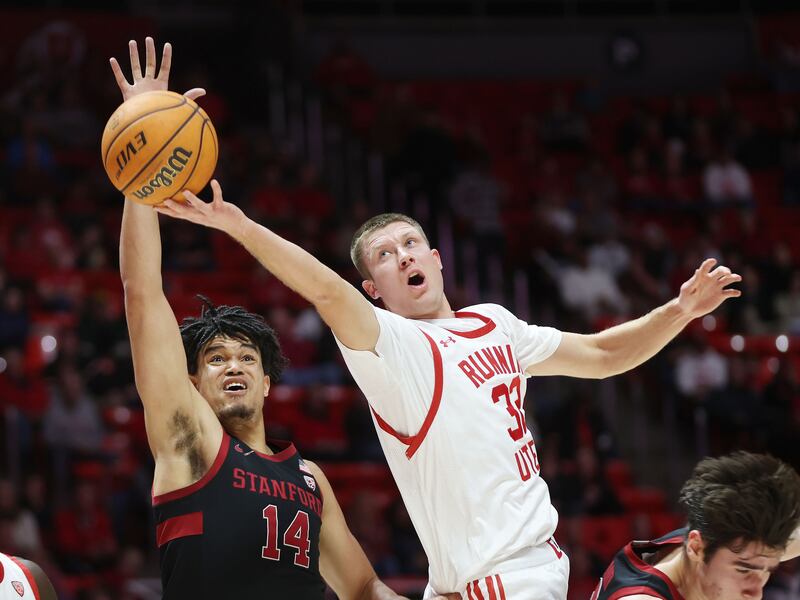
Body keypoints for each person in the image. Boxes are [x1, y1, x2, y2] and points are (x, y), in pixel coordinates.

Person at [156, 107, 741, 600]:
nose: (404, 256)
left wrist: (680, 311)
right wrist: (239, 226)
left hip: (526, 570)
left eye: (412, 244)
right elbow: (325, 289)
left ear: (437, 258)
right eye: (385, 255)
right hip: (477, 583)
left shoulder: (495, 323)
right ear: (374, 290)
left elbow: (603, 355)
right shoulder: (390, 346)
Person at [109, 38, 454, 600]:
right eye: (215, 360)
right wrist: (141, 171)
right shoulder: (190, 441)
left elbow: (364, 588)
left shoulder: (309, 479)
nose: (233, 366)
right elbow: (142, 294)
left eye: (247, 358)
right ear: (191, 382)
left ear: (269, 383)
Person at [591, 451, 800, 600]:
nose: (757, 592)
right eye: (744, 570)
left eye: (768, 572)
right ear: (696, 548)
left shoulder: (720, 542)